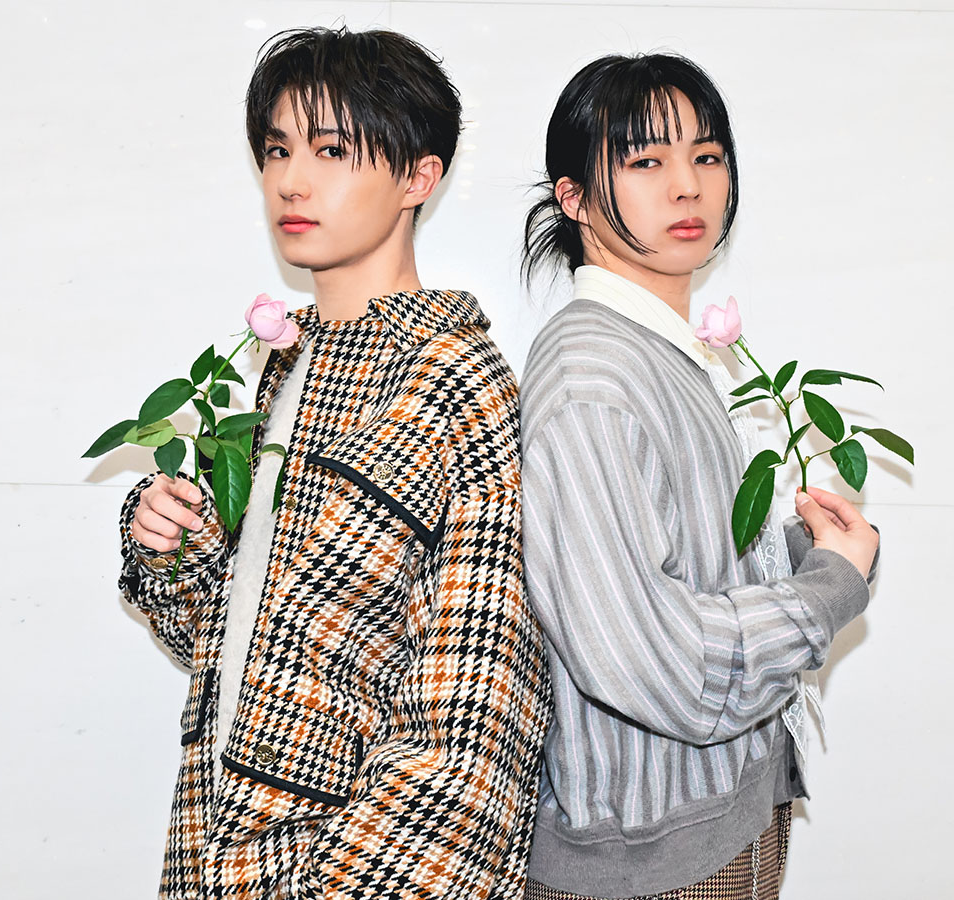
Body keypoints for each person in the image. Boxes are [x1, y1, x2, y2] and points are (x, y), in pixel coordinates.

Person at [117, 26, 550, 899]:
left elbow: (477, 712)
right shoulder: (288, 365)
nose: (292, 181)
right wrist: (171, 546)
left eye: (332, 151)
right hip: (210, 848)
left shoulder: (455, 382)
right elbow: (239, 650)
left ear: (418, 178)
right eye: (278, 149)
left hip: (333, 871)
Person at [517, 52, 881, 900]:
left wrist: (810, 552)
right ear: (574, 198)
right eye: (645, 161)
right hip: (652, 867)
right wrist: (828, 591)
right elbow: (654, 660)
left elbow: (681, 569)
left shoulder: (656, 348)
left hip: (713, 825)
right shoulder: (592, 381)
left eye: (707, 156)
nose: (688, 186)